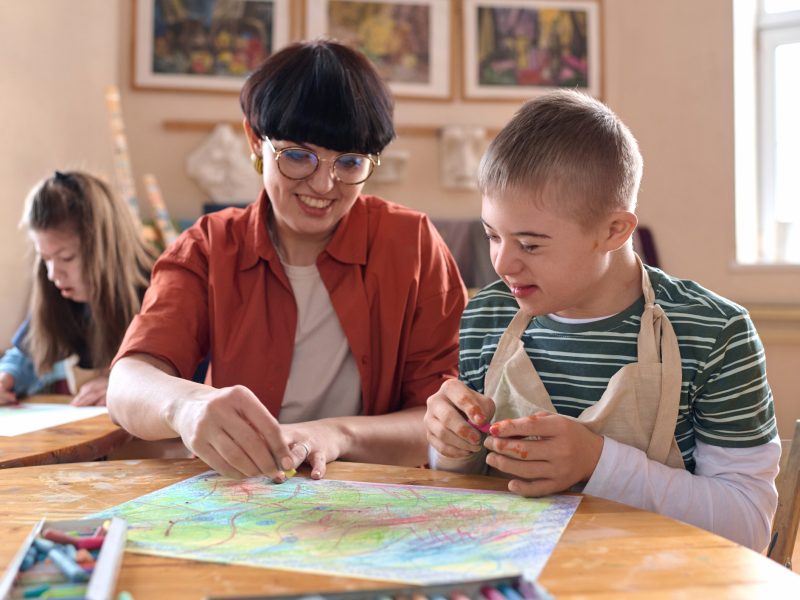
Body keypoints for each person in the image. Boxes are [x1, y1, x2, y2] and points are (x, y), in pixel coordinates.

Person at [424, 90, 780, 552]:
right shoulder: (487, 316)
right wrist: (448, 447)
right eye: (493, 235)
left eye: (530, 245)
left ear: (615, 231)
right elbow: (463, 490)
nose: (503, 264)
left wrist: (598, 464)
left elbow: (748, 524)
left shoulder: (715, 334)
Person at [107, 40, 467, 483]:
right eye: (297, 156)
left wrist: (335, 435)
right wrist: (185, 405)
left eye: (349, 162)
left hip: (371, 500)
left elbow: (441, 420)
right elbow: (127, 382)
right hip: (246, 495)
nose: (323, 184)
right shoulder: (210, 247)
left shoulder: (411, 244)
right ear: (255, 141)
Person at [0, 170, 156, 406]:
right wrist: (6, 377)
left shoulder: (159, 291)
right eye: (46, 259)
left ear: (106, 249)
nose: (53, 274)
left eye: (67, 257)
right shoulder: (60, 294)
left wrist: (129, 386)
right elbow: (26, 355)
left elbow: (187, 375)